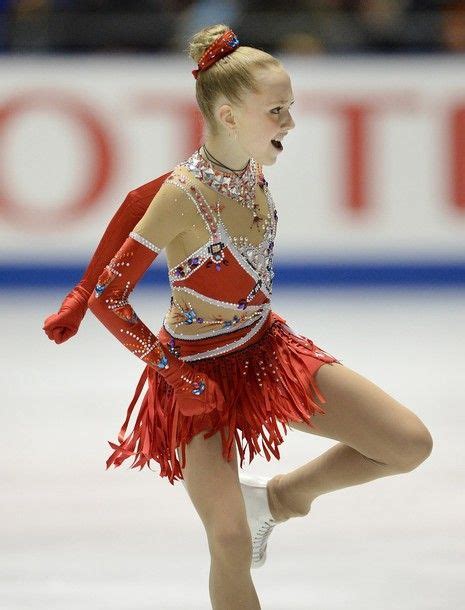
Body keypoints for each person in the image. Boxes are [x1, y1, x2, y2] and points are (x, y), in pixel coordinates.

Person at [43, 24, 433, 610]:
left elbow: (132, 217)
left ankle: (277, 500)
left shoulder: (247, 168)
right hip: (196, 373)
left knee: (407, 443)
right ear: (228, 114)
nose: (290, 124)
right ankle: (247, 518)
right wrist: (174, 374)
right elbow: (109, 295)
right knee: (227, 539)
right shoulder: (183, 194)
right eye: (277, 110)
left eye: (291, 108)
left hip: (266, 351)